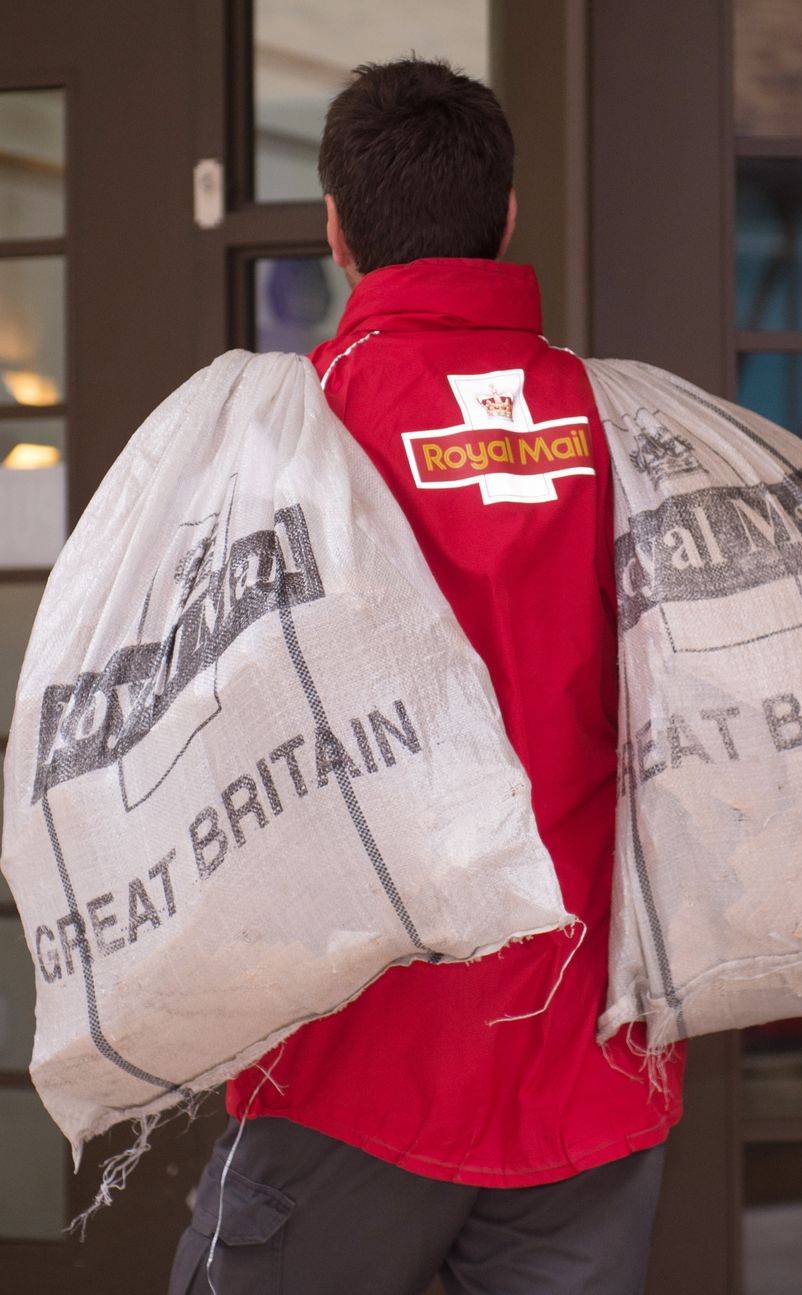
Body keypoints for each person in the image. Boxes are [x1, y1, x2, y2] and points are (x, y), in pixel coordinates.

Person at [169, 57, 685, 1295]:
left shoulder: (292, 434)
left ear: (336, 233)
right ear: (506, 218)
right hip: (591, 1063)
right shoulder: (629, 429)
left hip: (353, 1070)